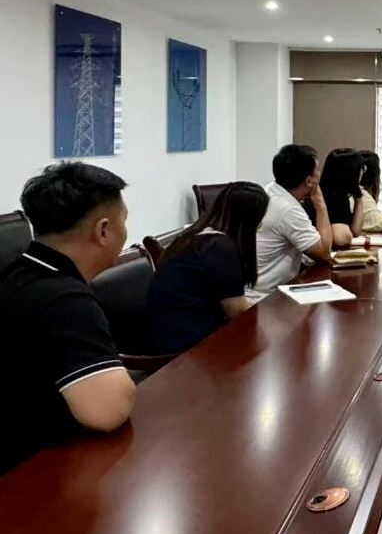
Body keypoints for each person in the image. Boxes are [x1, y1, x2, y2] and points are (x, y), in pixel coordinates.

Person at [0, 162, 136, 474]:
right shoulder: (66, 302)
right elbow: (107, 411)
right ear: (103, 231)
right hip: (28, 477)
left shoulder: (17, 272)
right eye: (124, 220)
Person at [145, 182, 269, 356]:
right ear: (250, 219)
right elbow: (236, 312)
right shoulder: (219, 247)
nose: (262, 224)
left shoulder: (198, 235)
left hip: (170, 337)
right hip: (184, 348)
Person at [250, 144, 334, 297]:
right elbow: (324, 253)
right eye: (317, 170)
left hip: (258, 288)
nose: (319, 174)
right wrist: (320, 204)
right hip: (265, 297)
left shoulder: (270, 190)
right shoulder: (287, 209)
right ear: (309, 181)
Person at [318, 148, 365, 244]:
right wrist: (348, 234)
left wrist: (359, 199)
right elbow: (341, 238)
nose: (362, 172)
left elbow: (355, 231)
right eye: (361, 168)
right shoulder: (335, 199)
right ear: (352, 172)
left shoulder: (333, 193)